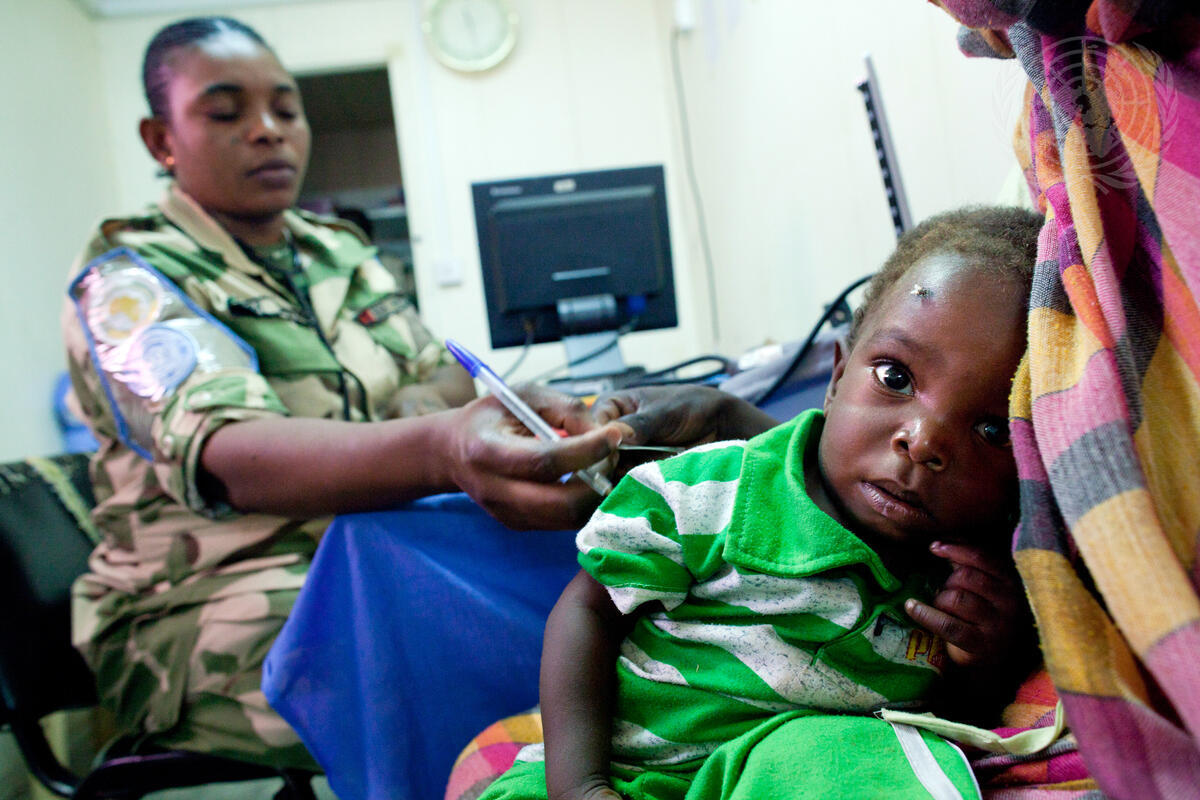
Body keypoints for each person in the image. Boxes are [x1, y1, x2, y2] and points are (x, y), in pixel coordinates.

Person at [61, 16, 624, 770]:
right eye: (225, 112)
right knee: (489, 659)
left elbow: (440, 372)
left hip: (384, 543)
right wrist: (436, 446)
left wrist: (428, 411)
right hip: (214, 595)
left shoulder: (338, 249)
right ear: (162, 139)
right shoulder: (126, 278)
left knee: (596, 586)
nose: (268, 131)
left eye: (286, 109)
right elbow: (228, 452)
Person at [479, 206, 1043, 800]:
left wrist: (984, 661)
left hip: (782, 783)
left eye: (991, 430)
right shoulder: (712, 489)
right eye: (895, 378)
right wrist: (582, 786)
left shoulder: (972, 585)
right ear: (837, 377)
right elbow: (587, 612)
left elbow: (949, 732)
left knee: (857, 750)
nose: (923, 442)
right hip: (620, 774)